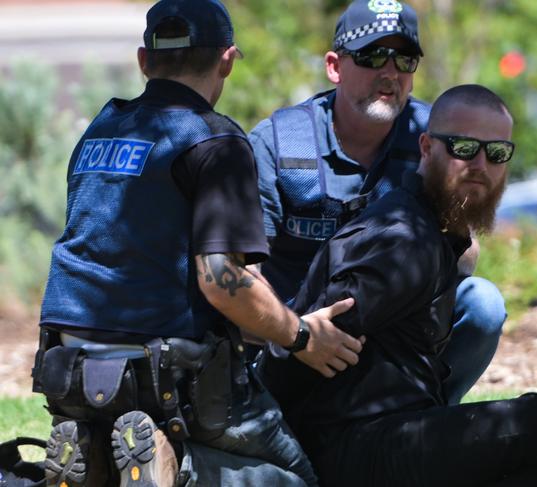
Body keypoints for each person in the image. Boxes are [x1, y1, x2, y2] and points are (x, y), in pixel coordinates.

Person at [31, 1, 363, 486]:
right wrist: (300, 336)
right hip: (164, 378)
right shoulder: (215, 142)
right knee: (296, 476)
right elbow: (221, 281)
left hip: (67, 372)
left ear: (145, 61)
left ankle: (99, 453)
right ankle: (181, 468)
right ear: (227, 60)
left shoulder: (100, 130)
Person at [260, 84, 537, 487]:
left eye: (496, 152)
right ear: (427, 148)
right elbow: (300, 356)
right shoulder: (403, 241)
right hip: (355, 449)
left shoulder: (433, 229)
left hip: (396, 432)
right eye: (464, 148)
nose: (480, 164)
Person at [249, 0, 505, 404]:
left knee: (483, 304)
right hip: (294, 334)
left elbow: (464, 255)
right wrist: (296, 332)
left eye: (404, 59)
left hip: (396, 331)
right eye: (371, 56)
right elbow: (242, 273)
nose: (390, 72)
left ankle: (432, 417)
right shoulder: (277, 143)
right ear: (334, 66)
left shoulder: (434, 137)